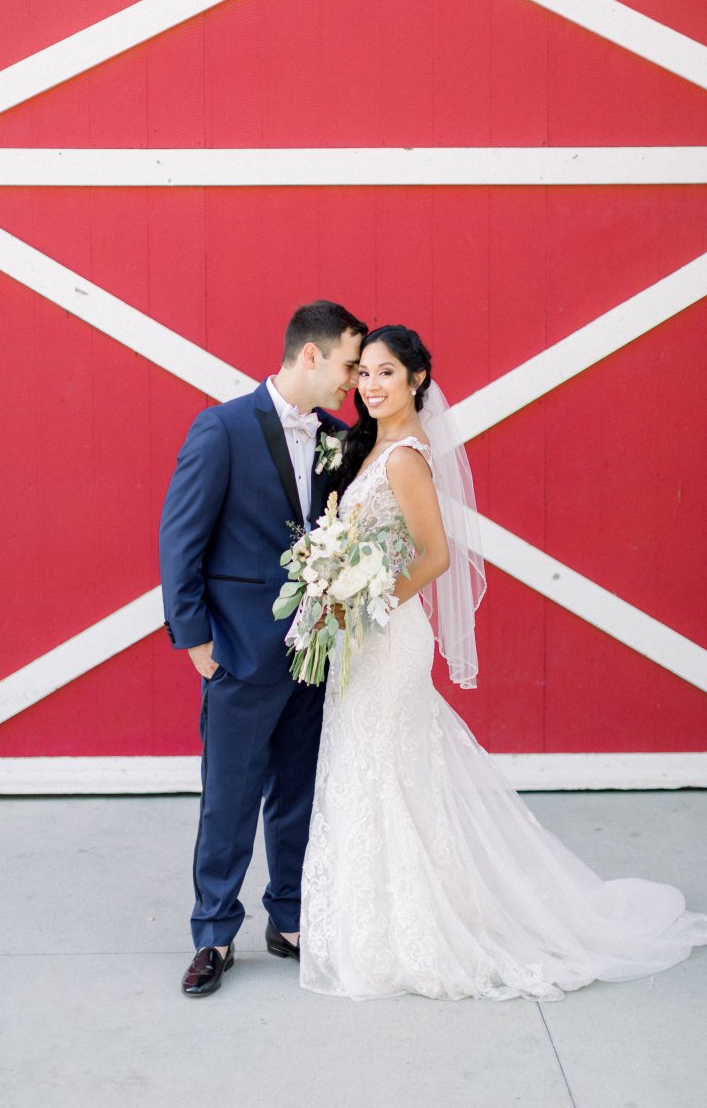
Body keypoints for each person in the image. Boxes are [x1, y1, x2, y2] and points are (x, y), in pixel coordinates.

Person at [299, 323, 707, 1001]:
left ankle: (416, 931)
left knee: (386, 770)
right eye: (363, 373)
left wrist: (363, 605)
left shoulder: (405, 458)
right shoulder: (372, 449)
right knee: (374, 770)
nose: (370, 386)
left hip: (388, 638)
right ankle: (376, 925)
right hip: (364, 641)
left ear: (417, 380)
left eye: (386, 373)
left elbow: (435, 555)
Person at [160, 299, 367, 997]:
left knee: (298, 794)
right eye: (348, 366)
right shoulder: (221, 429)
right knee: (230, 798)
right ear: (310, 355)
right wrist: (196, 641)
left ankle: (290, 919)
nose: (353, 381)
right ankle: (214, 933)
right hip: (240, 652)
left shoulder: (337, 438)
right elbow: (180, 540)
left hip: (316, 653)